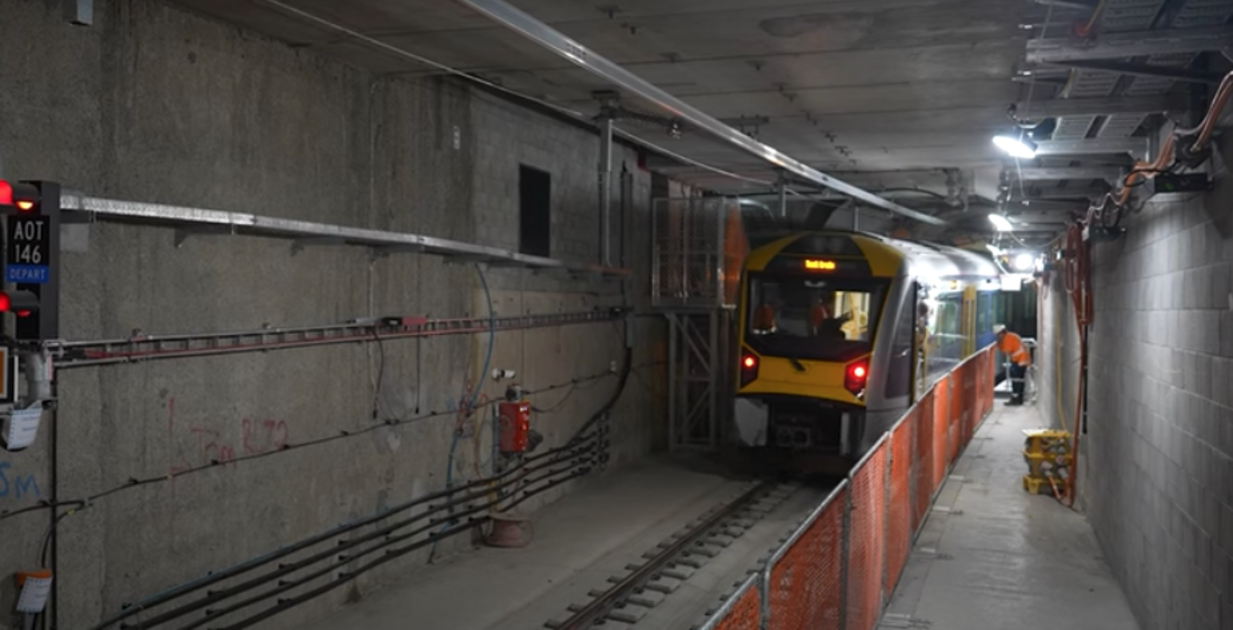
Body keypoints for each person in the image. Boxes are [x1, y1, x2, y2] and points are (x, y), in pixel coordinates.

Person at [993, 323, 1030, 406]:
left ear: (1001, 333)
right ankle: (1018, 398)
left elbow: (1007, 350)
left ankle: (1016, 399)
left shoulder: (1008, 338)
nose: (998, 337)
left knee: (1016, 380)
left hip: (1020, 360)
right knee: (1018, 380)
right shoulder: (1011, 336)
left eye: (998, 335)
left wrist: (998, 345)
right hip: (1020, 360)